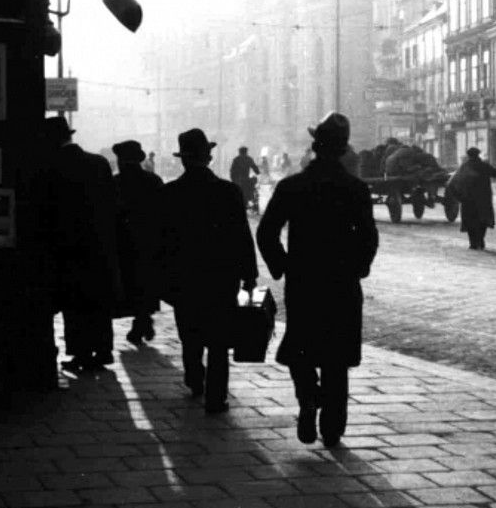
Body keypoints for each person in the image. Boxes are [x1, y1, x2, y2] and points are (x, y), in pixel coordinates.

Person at [256, 112, 379, 449]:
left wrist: (282, 266)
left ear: (314, 147)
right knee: (337, 359)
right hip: (341, 283)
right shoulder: (355, 189)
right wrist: (359, 267)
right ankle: (333, 429)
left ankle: (308, 398)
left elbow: (266, 233)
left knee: (301, 349)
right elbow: (369, 238)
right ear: (342, 150)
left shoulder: (292, 186)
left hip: (304, 281)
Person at [160, 128, 258, 414]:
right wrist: (249, 274)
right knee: (218, 338)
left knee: (189, 331)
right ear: (210, 157)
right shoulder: (228, 191)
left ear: (183, 160)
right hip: (221, 276)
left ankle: (194, 378)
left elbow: (161, 240)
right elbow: (242, 235)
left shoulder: (170, 193)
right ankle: (216, 396)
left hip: (184, 275)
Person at [39, 116, 121, 373]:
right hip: (100, 245)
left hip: (69, 247)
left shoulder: (51, 166)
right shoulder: (98, 163)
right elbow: (112, 205)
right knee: (99, 299)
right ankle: (105, 350)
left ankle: (82, 353)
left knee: (74, 303)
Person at [112, 139, 163, 347]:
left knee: (129, 283)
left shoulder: (114, 182)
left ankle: (141, 320)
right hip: (149, 240)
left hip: (123, 240)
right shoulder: (153, 180)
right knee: (146, 282)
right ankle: (142, 319)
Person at [446, 146, 496, 250]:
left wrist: (460, 197)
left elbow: (451, 184)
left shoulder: (464, 167)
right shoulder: (484, 166)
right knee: (482, 221)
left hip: (468, 200)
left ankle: (473, 243)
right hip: (483, 199)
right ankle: (480, 240)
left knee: (470, 222)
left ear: (468, 155)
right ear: (478, 154)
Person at [230, 145, 260, 213]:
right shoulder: (249, 159)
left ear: (239, 152)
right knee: (252, 189)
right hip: (246, 179)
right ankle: (251, 201)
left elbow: (232, 171)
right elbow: (255, 169)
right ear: (246, 152)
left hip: (238, 180)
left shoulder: (236, 159)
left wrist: (233, 179)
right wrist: (257, 172)